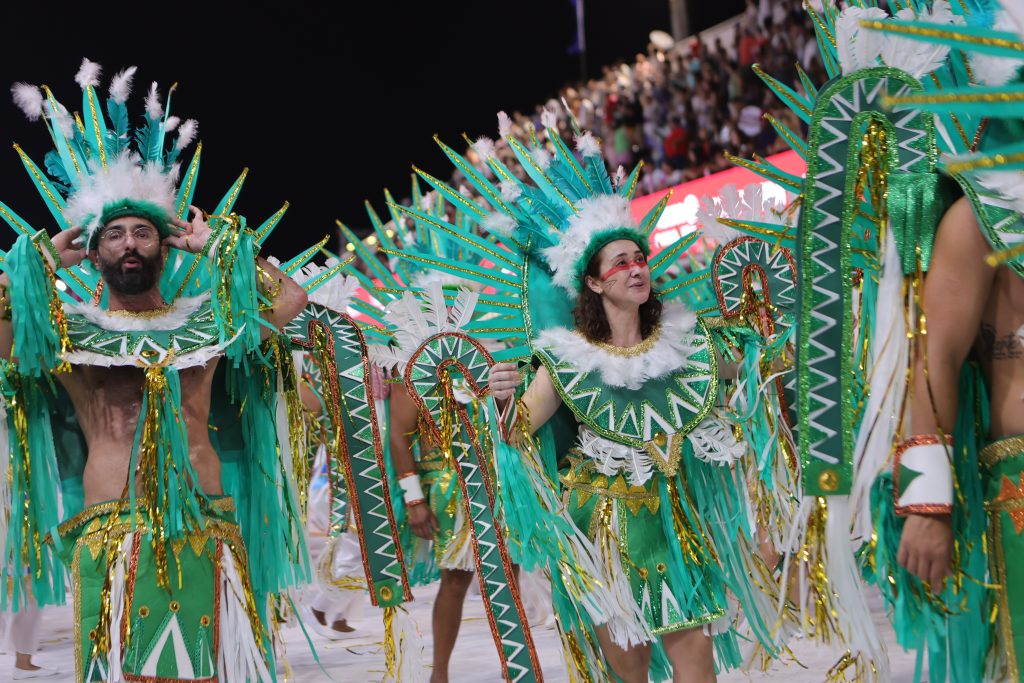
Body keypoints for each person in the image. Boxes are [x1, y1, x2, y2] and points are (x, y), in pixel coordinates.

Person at [0, 62, 311, 682]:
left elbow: (289, 301)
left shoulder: (207, 324)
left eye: (143, 232)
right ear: (92, 252)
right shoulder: (71, 335)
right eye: (113, 235)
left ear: (165, 245)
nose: (129, 244)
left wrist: (219, 246)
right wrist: (36, 265)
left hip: (205, 519)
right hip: (110, 527)